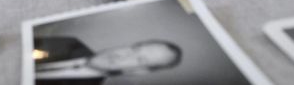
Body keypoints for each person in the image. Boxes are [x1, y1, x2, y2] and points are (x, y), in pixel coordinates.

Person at [33, 36, 182, 83]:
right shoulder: (69, 43)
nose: (123, 55)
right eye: (134, 49)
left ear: (138, 71)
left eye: (140, 60)